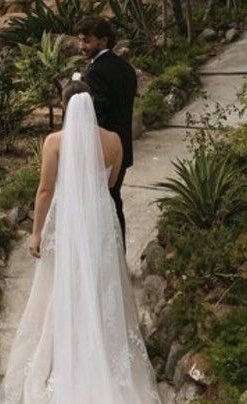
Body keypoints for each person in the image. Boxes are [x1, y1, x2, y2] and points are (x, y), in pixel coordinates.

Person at [0, 77, 173, 404]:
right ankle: (104, 360)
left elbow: (44, 190)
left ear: (65, 105)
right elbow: (109, 184)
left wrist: (36, 233)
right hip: (100, 222)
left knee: (63, 293)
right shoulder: (114, 141)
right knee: (104, 292)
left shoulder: (55, 142)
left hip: (69, 225)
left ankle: (67, 356)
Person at [76, 16, 138, 247]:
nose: (82, 46)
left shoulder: (95, 72)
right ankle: (119, 255)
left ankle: (106, 257)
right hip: (123, 148)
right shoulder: (126, 68)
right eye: (80, 40)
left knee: (100, 206)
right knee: (114, 201)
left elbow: (99, 114)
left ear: (103, 40)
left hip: (103, 152)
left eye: (87, 41)